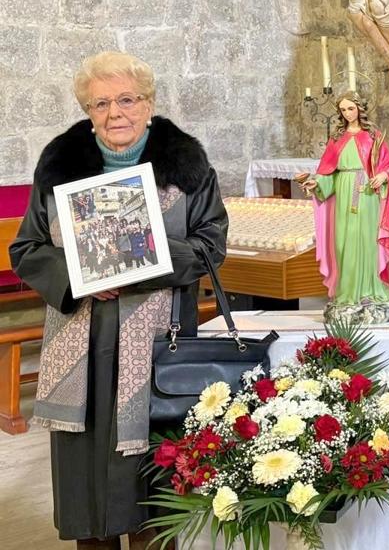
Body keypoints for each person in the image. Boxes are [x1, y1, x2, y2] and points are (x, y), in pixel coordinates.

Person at [10, 50, 228, 550]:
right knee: (89, 490)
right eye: (101, 103)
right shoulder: (58, 166)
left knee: (154, 483)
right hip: (79, 349)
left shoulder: (188, 166)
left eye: (127, 99)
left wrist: (142, 261)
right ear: (88, 112)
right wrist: (79, 275)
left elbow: (211, 244)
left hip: (157, 348)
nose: (115, 113)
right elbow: (27, 248)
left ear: (148, 104)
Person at [296, 91, 389, 324]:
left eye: (351, 108)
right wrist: (316, 183)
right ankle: (347, 293)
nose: (347, 113)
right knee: (343, 244)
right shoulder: (337, 139)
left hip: (368, 194)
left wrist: (382, 175)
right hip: (343, 193)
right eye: (343, 109)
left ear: (360, 109)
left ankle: (369, 292)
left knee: (366, 242)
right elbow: (328, 173)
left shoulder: (374, 136)